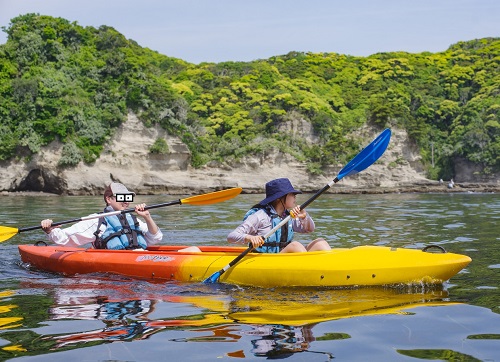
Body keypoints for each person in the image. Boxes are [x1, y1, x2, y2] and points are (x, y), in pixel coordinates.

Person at [41, 182, 163, 250]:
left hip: (141, 257)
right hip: (116, 263)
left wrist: (147, 217)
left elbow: (155, 238)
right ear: (109, 199)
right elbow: (66, 239)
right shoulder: (97, 220)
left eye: (128, 198)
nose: (126, 202)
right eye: (122, 198)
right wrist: (50, 230)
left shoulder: (134, 219)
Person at [227, 178, 331, 253]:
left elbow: (309, 229)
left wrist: (304, 216)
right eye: (292, 194)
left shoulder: (289, 216)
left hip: (284, 256)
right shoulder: (260, 216)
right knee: (295, 246)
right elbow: (231, 236)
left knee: (321, 243)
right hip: (268, 260)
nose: (295, 197)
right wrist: (250, 238)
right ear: (279, 198)